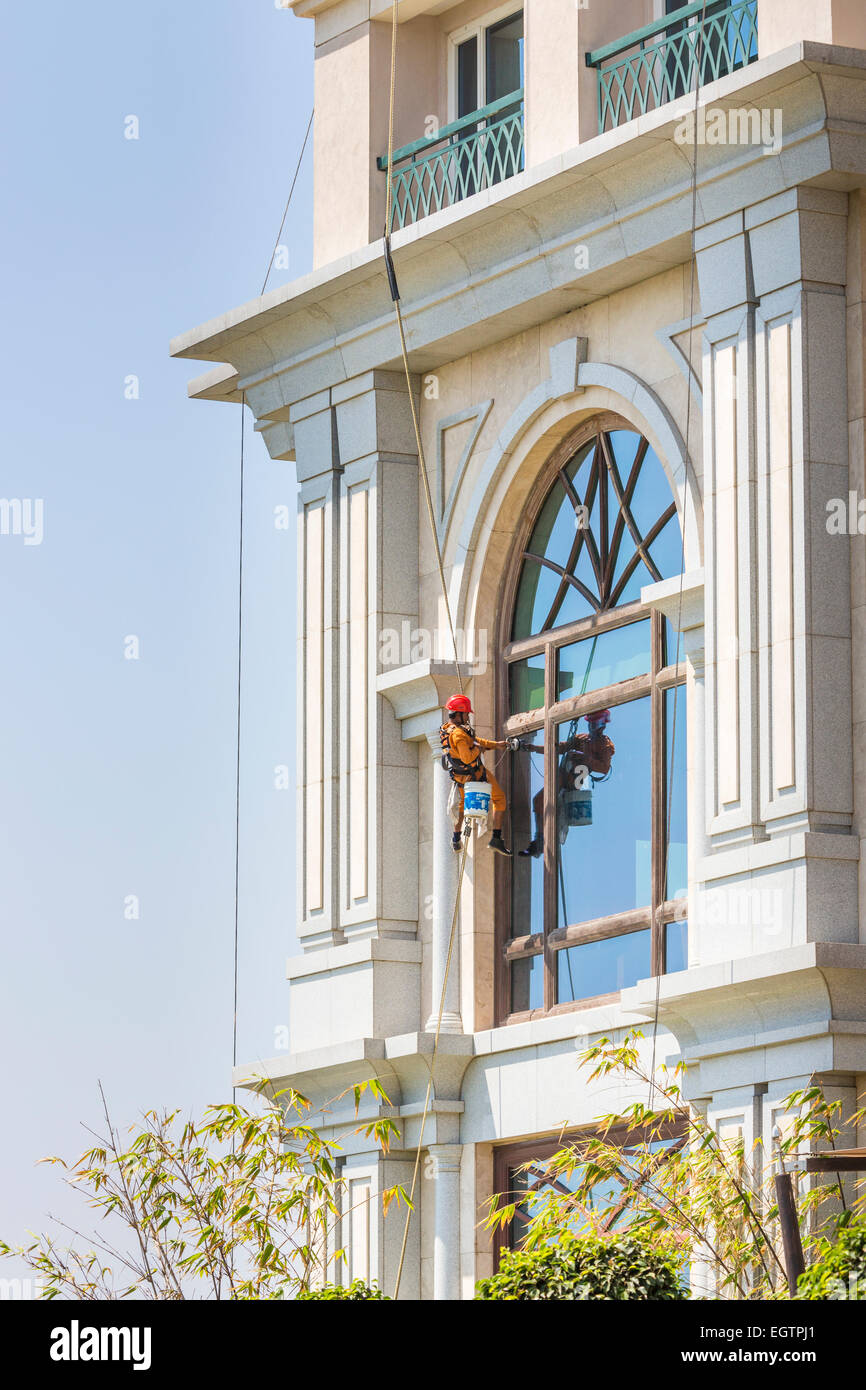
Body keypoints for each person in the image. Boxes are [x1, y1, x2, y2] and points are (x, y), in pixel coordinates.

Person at [519, 709, 615, 858]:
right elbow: (559, 748)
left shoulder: (605, 745)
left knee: (554, 808)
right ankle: (539, 840)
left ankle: (545, 840)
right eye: (591, 723)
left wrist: (585, 758)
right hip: (563, 775)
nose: (592, 727)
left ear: (602, 724)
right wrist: (532, 748)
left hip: (573, 781)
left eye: (595, 723)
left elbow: (604, 768)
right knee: (538, 800)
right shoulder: (581, 738)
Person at [440, 694, 512, 856]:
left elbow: (473, 741)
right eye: (466, 714)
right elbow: (467, 756)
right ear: (459, 714)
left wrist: (496, 745)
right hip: (475, 774)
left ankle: (456, 838)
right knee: (499, 799)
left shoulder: (449, 729)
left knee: (462, 807)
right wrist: (479, 750)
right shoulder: (458, 734)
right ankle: (496, 838)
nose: (467, 717)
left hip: (461, 777)